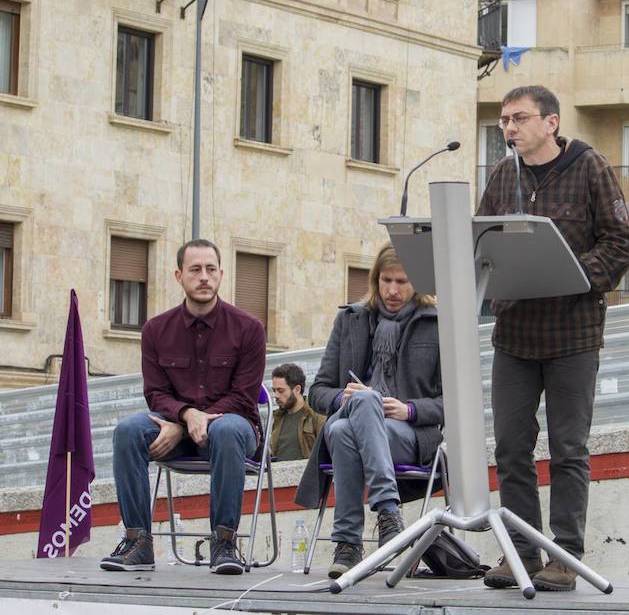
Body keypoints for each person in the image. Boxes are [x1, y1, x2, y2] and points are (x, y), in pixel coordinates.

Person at [476, 85, 629, 591]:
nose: (509, 128)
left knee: (568, 449)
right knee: (509, 449)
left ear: (551, 122)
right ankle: (520, 550)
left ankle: (564, 556)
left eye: (519, 118)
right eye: (504, 120)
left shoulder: (591, 167)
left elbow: (621, 244)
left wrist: (568, 273)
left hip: (573, 335)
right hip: (515, 336)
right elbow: (479, 242)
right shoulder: (503, 176)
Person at [100, 239, 266, 575]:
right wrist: (183, 417)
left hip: (234, 430)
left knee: (228, 428)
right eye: (195, 270)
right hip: (175, 426)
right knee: (129, 431)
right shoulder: (155, 330)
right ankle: (138, 542)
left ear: (221, 274)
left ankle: (224, 543)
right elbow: (155, 393)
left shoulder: (249, 328)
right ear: (179, 276)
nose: (204, 277)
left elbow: (243, 395)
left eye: (210, 269)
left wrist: (196, 418)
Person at [295, 243, 442, 579]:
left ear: (416, 282)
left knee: (345, 429)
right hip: (352, 422)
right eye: (386, 280)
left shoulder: (436, 324)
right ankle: (388, 514)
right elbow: (317, 392)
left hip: (409, 434)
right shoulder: (350, 320)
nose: (392, 290)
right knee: (355, 411)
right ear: (375, 280)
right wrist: (342, 400)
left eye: (402, 281)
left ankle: (348, 545)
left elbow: (453, 402)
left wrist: (408, 409)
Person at [269, 363, 326, 461]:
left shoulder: (316, 415)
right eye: (274, 390)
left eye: (281, 390)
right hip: (278, 474)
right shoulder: (278, 418)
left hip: (305, 474)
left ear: (297, 389)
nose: (276, 396)